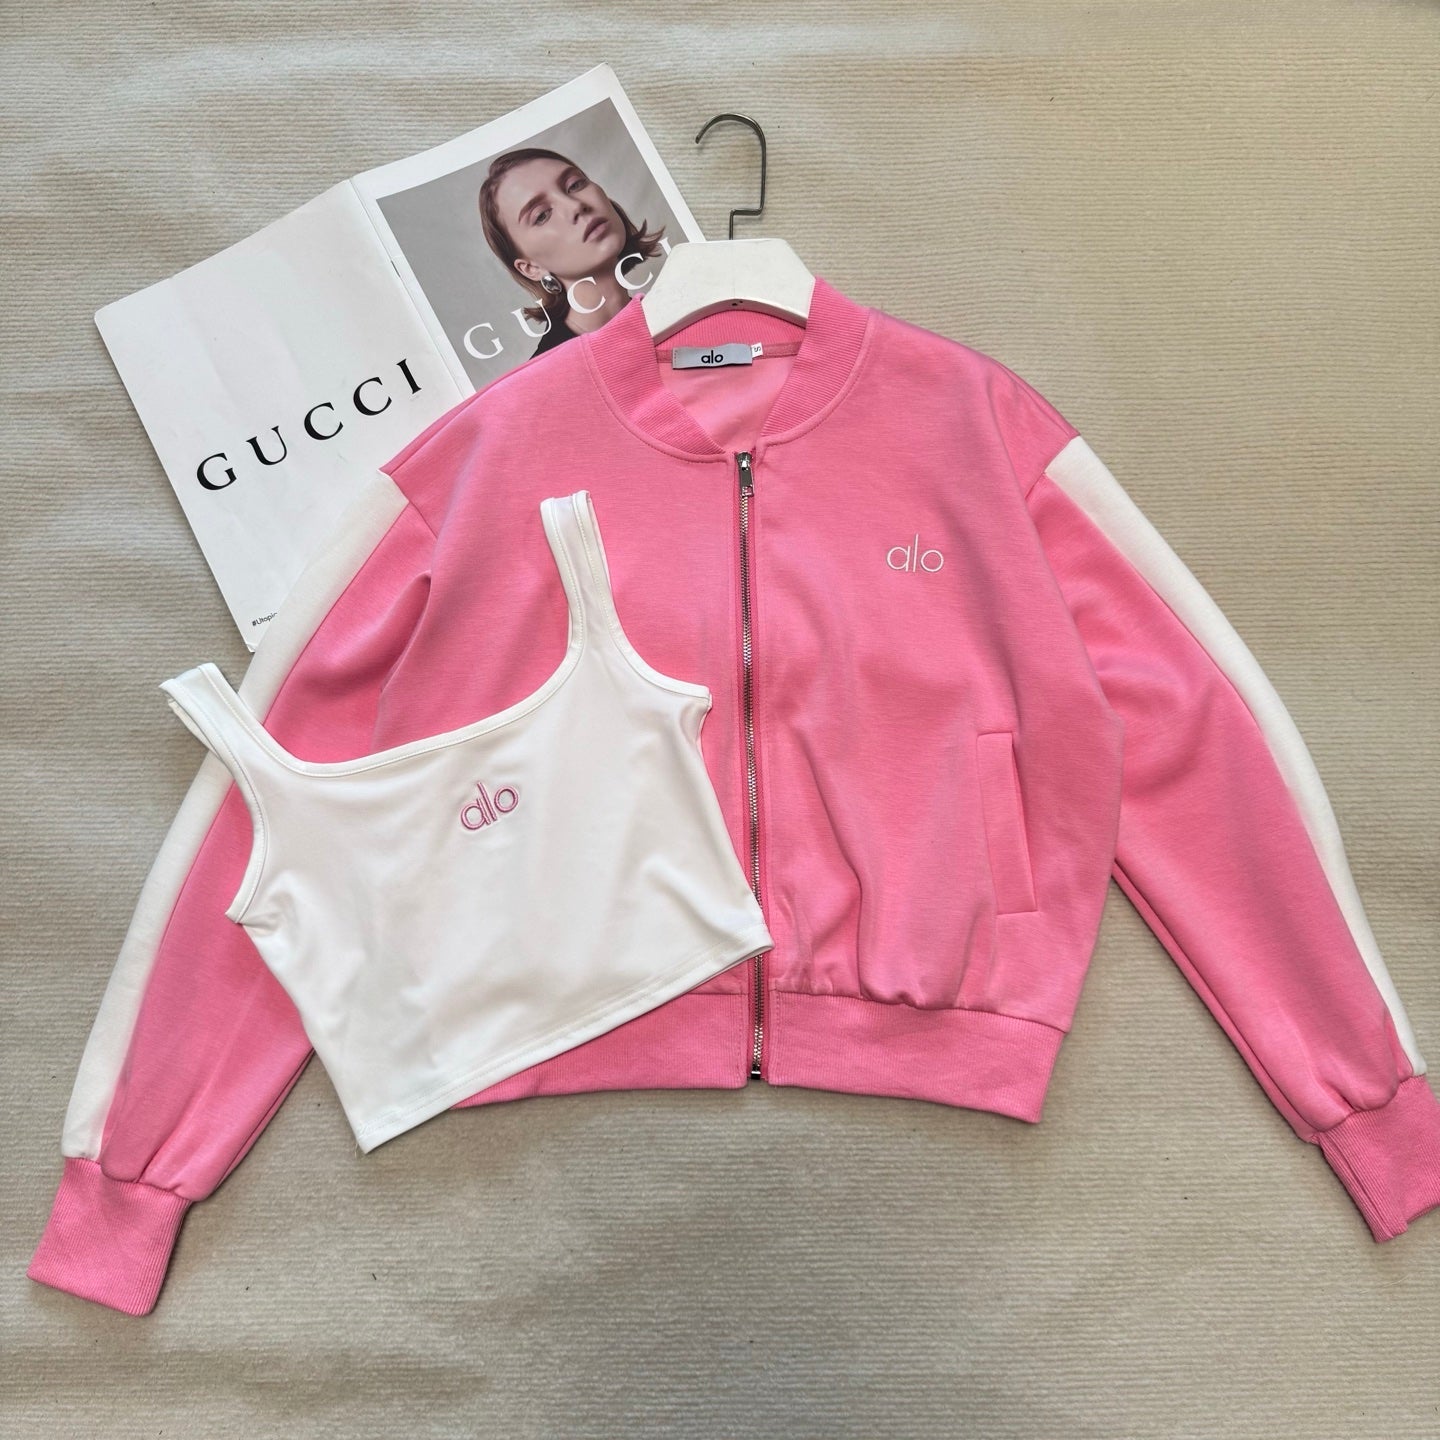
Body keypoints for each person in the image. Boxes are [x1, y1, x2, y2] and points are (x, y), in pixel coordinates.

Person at [477, 147, 668, 359]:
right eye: (541, 215)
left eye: (575, 185)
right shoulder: (549, 374)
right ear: (531, 267)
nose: (576, 206)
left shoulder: (674, 315)